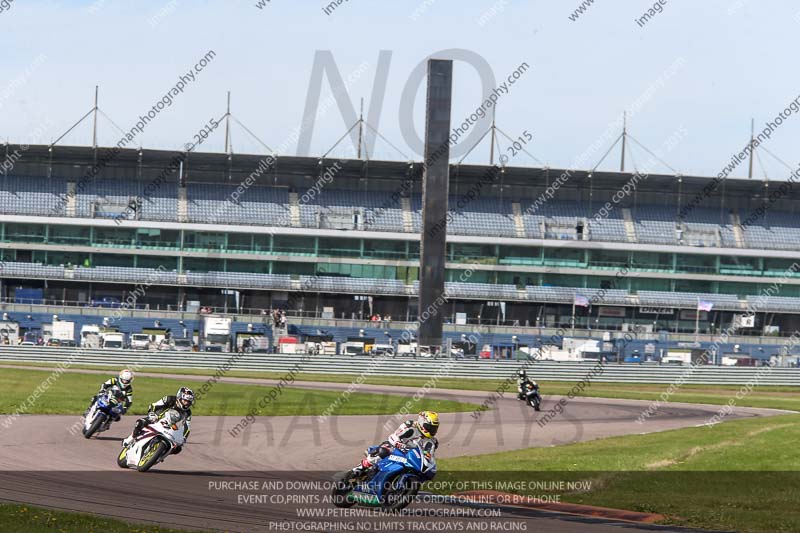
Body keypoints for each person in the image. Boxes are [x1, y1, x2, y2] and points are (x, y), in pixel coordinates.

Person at [352, 411, 439, 475]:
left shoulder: (432, 441)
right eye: (430, 427)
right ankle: (359, 468)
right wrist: (399, 444)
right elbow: (393, 437)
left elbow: (428, 455)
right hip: (395, 448)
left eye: (434, 428)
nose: (432, 430)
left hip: (409, 457)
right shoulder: (410, 426)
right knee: (383, 451)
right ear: (422, 423)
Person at [122, 387, 194, 450]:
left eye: (188, 402)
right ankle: (130, 438)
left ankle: (160, 453)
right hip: (156, 417)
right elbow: (154, 405)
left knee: (178, 449)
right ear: (179, 397)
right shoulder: (169, 399)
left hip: (169, 425)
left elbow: (187, 427)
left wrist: (184, 438)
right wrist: (152, 413)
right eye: (185, 400)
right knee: (140, 422)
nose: (186, 403)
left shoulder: (188, 412)